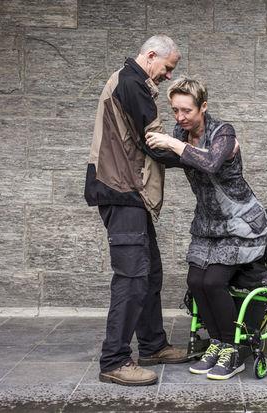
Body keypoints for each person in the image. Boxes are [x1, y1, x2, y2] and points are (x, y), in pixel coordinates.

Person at [145, 77, 267, 380]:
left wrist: (174, 144)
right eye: (174, 111)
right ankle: (215, 342)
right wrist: (144, 135)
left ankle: (233, 349)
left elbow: (211, 163)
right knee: (195, 281)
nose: (180, 117)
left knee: (213, 281)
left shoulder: (223, 133)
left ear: (204, 106)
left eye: (186, 110)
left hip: (242, 224)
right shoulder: (181, 133)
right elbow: (166, 155)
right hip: (208, 224)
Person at [84, 35, 189, 387]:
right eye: (168, 68)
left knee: (150, 272)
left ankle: (152, 345)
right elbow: (155, 141)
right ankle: (114, 360)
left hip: (131, 192)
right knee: (131, 277)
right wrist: (198, 154)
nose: (168, 76)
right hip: (121, 189)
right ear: (151, 55)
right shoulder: (132, 83)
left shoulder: (128, 80)